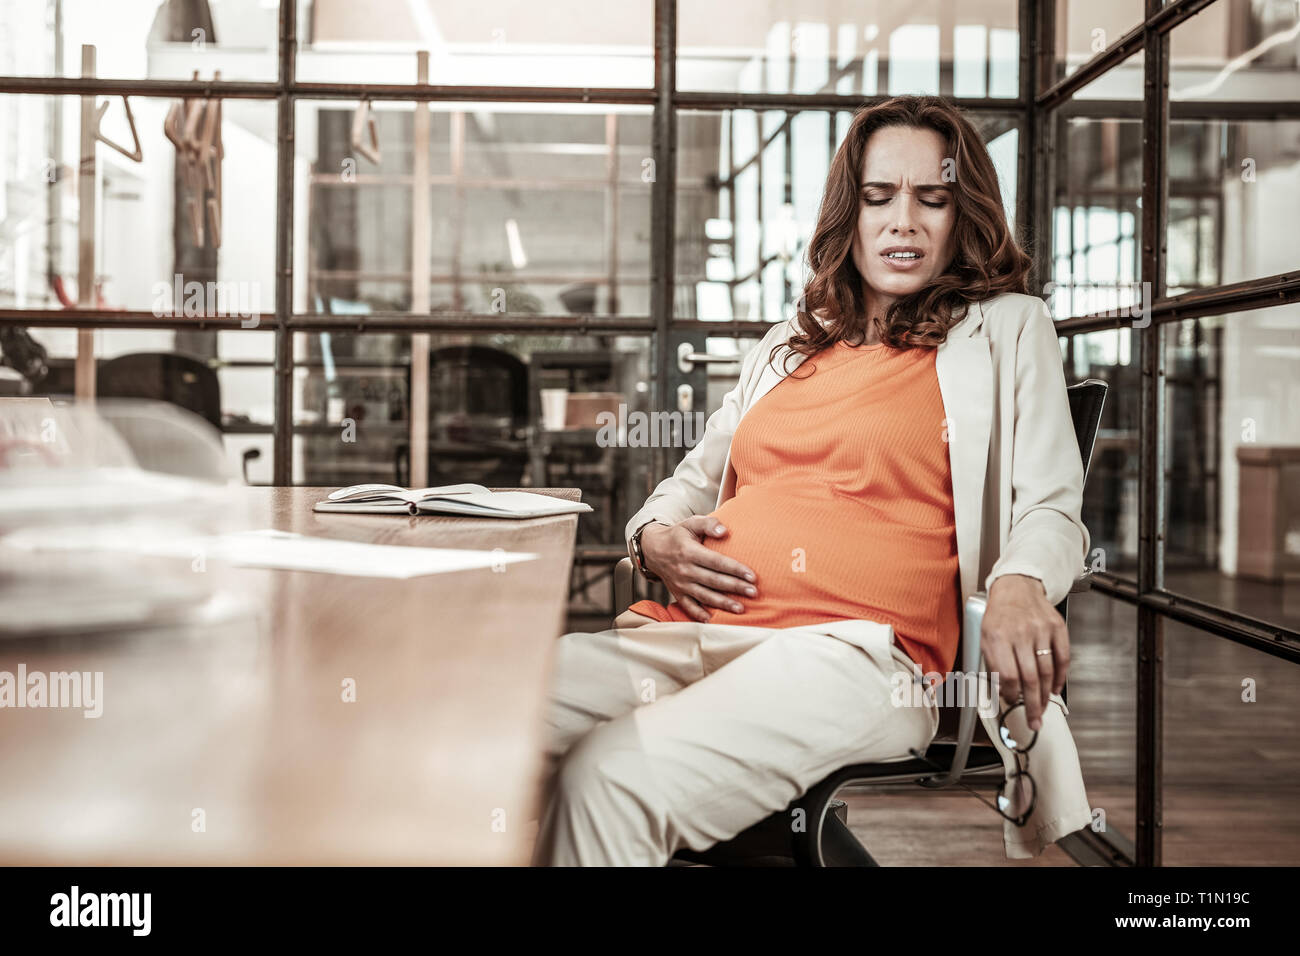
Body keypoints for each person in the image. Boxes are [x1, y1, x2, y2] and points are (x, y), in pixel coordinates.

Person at [530, 94, 1091, 866]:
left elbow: (1053, 502)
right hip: (693, 631)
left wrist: (1025, 580)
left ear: (964, 217)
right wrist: (651, 537)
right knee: (483, 723)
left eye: (933, 199)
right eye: (878, 197)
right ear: (847, 215)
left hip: (857, 658)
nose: (904, 222)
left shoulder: (1004, 328)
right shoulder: (786, 347)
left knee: (610, 778)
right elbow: (690, 481)